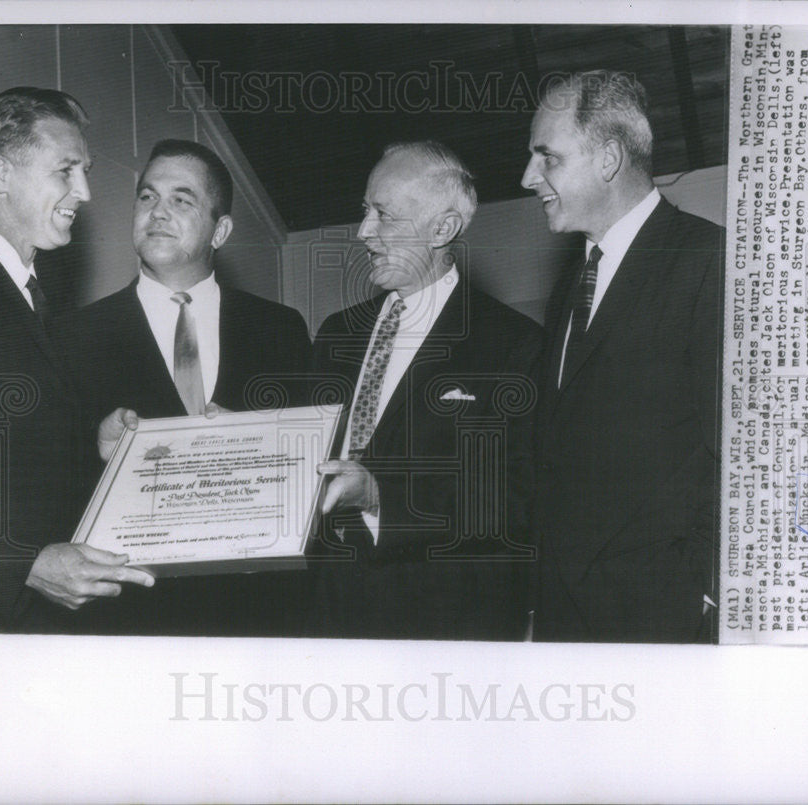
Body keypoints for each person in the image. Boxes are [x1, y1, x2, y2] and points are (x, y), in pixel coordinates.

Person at [0, 86, 154, 632]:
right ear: (0, 174)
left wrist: (91, 442)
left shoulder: (29, 297)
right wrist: (23, 563)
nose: (86, 192)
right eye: (67, 170)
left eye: (86, 171)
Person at [54, 139, 312, 635]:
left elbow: (307, 469)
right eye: (147, 197)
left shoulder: (279, 329)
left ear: (221, 230)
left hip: (261, 613)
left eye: (182, 199)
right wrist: (94, 444)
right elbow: (45, 477)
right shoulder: (72, 336)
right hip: (127, 618)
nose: (157, 212)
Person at [308, 141, 542, 640]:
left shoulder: (513, 344)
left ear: (443, 228)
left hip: (445, 632)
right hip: (331, 622)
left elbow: (517, 498)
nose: (363, 232)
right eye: (364, 211)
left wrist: (379, 497)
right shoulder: (334, 333)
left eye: (384, 215)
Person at [521, 71, 723, 642]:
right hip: (566, 618)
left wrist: (701, 591)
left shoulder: (709, 260)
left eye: (547, 158)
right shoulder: (572, 281)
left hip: (659, 616)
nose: (528, 177)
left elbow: (737, 453)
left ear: (608, 158)